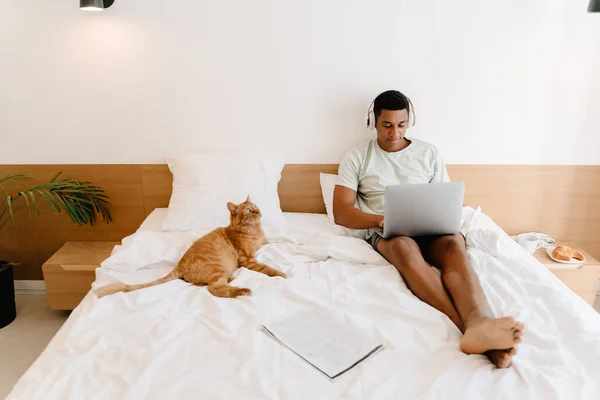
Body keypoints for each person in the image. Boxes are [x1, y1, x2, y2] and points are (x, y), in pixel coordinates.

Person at [332, 90, 524, 368]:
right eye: (387, 125)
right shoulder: (357, 157)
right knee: (403, 247)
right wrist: (378, 219)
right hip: (389, 231)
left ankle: (479, 321)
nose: (394, 133)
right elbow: (342, 213)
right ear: (374, 122)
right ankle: (470, 329)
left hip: (430, 229)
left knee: (455, 245)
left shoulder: (429, 152)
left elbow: (443, 199)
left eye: (401, 125)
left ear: (409, 122)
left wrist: (443, 221)